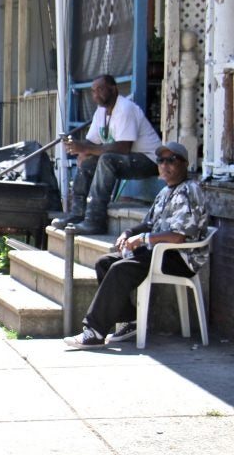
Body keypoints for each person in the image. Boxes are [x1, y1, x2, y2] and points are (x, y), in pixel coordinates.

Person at [64, 142, 208, 349]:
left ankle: (94, 331)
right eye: (161, 160)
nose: (165, 165)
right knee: (104, 262)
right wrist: (128, 233)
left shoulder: (189, 190)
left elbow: (178, 237)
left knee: (120, 269)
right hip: (159, 252)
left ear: (185, 163)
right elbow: (149, 223)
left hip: (182, 257)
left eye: (171, 160)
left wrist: (142, 240)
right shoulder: (165, 192)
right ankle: (131, 321)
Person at [51, 74, 162, 235]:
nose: (96, 94)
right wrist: (80, 148)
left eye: (100, 89)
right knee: (89, 163)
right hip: (126, 159)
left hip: (149, 160)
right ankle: (77, 214)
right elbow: (92, 142)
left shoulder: (125, 109)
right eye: (93, 91)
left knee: (107, 159)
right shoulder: (100, 112)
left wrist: (86, 149)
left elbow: (123, 147)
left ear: (113, 89)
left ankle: (94, 220)